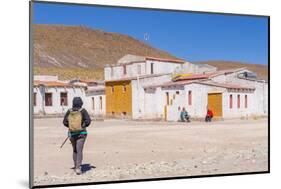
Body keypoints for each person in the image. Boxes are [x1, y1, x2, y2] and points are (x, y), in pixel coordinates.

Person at [63, 97, 91, 175]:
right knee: (79, 150)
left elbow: (64, 122)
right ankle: (78, 168)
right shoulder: (83, 111)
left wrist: (71, 127)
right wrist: (82, 126)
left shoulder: (69, 111)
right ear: (81, 103)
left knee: (75, 150)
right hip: (82, 134)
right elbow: (88, 121)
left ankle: (76, 166)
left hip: (71, 134)